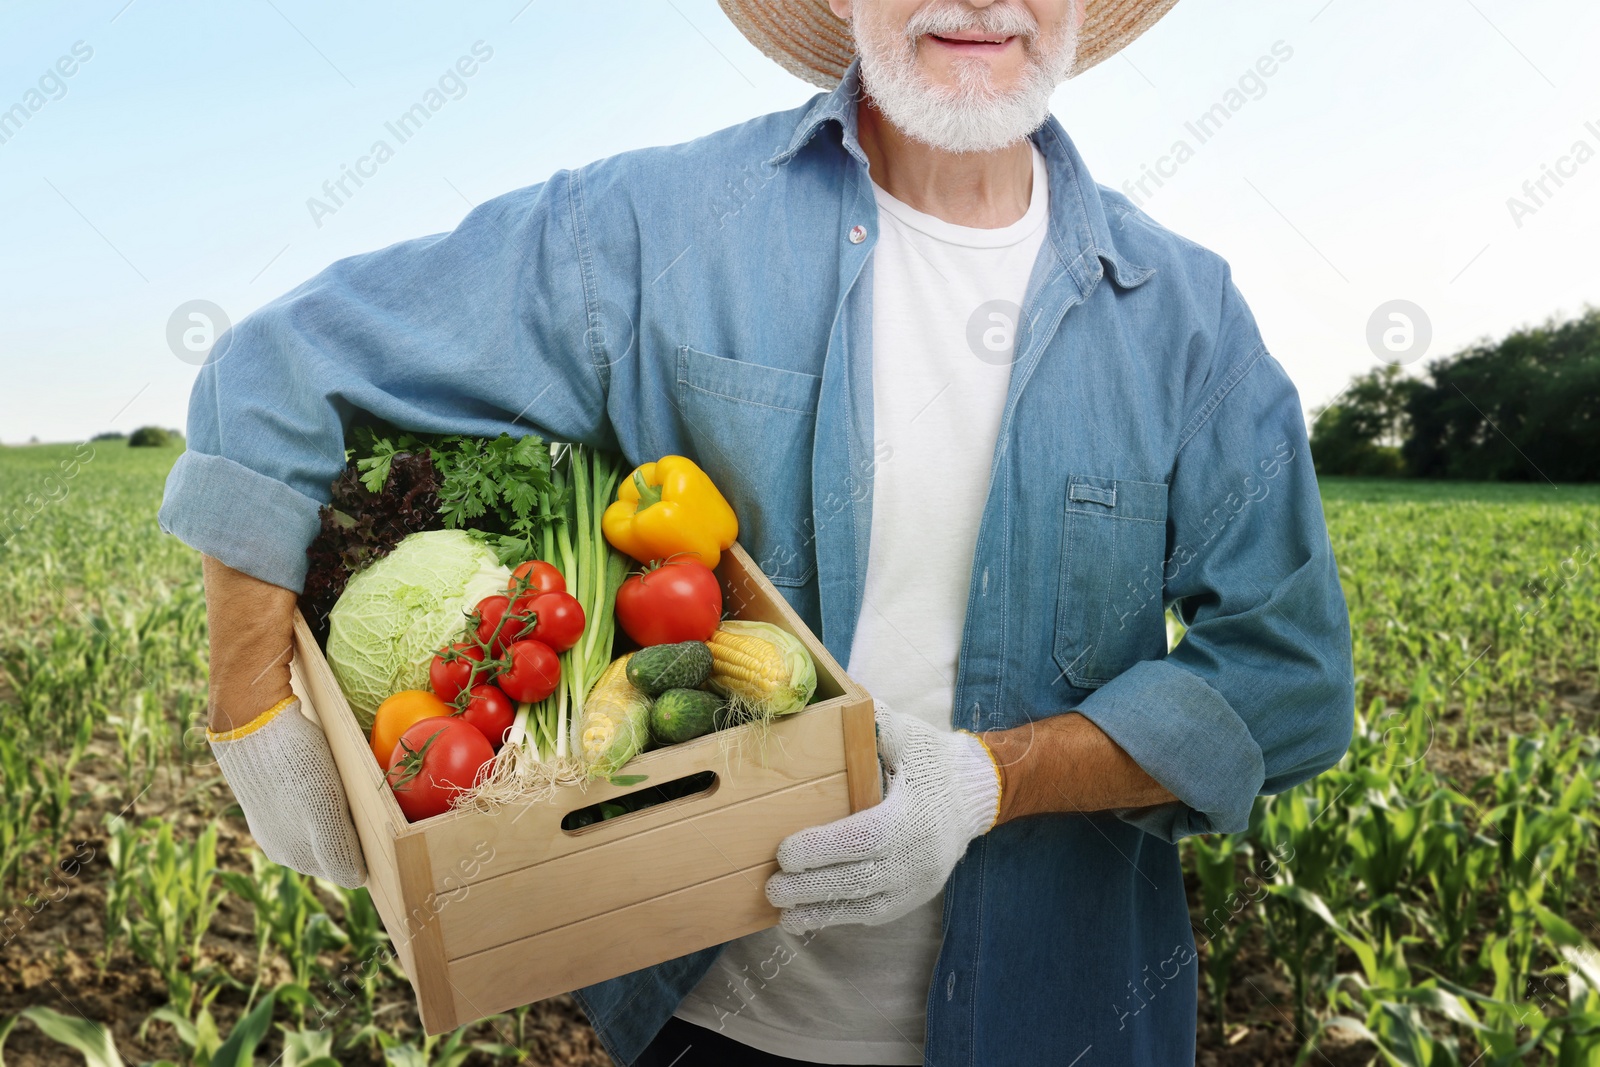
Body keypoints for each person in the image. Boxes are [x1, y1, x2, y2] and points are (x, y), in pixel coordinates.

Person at [160, 0, 1356, 1063]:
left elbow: (1287, 677)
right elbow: (279, 366)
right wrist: (252, 712)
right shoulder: (650, 228)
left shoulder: (1185, 317)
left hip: (1067, 1015)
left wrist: (990, 781)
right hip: (717, 1020)